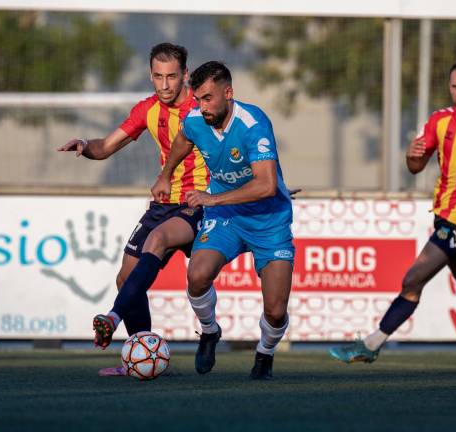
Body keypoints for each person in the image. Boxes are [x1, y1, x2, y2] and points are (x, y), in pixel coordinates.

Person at [330, 59, 456, 364]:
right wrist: (412, 157)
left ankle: (370, 344)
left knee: (413, 280)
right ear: (450, 87)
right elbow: (415, 167)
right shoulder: (438, 121)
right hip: (443, 214)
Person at [58, 43, 209, 376]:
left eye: (172, 76)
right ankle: (142, 355)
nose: (165, 84)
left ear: (185, 75)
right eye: (158, 77)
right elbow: (106, 146)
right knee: (125, 277)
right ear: (151, 76)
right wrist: (85, 146)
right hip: (163, 204)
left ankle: (113, 318)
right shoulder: (147, 110)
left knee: (162, 244)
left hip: (200, 203)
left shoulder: (203, 108)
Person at [152, 61, 295, 380]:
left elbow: (266, 185)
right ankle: (209, 331)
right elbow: (182, 141)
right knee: (198, 274)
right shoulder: (195, 119)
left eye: (207, 98)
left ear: (228, 93)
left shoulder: (253, 123)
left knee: (275, 310)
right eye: (197, 99)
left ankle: (264, 355)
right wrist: (165, 175)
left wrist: (211, 198)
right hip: (226, 217)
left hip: (268, 220)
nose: (201, 107)